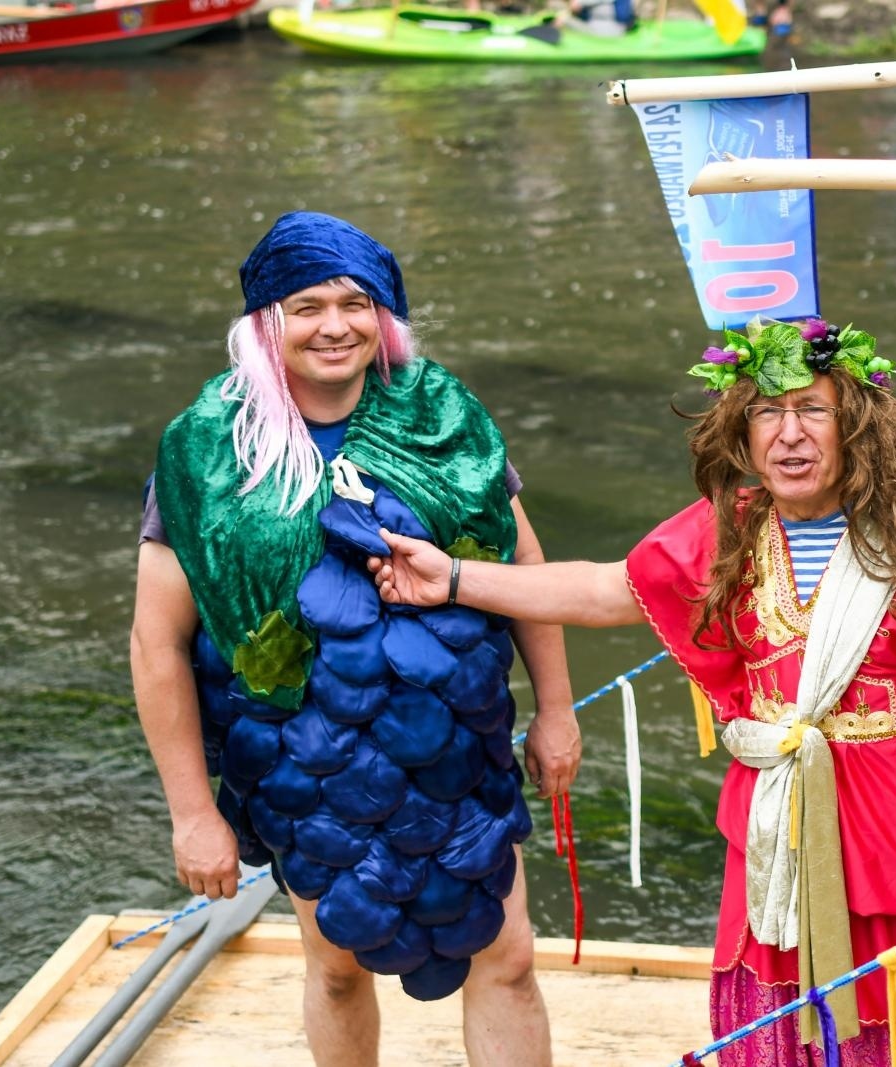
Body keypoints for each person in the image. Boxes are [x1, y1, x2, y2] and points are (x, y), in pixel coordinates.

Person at [371, 317, 896, 1067]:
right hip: (771, 849)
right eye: (767, 413)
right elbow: (601, 589)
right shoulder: (732, 532)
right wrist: (454, 578)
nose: (789, 434)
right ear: (742, 433)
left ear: (856, 425)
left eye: (812, 411)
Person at [130, 211, 581, 1067]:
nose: (334, 326)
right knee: (337, 967)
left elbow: (523, 562)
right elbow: (157, 644)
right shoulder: (207, 451)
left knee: (508, 954)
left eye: (354, 303)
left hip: (458, 741)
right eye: (306, 307)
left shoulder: (443, 414)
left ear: (383, 314)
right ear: (266, 322)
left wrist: (555, 709)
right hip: (300, 756)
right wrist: (192, 813)